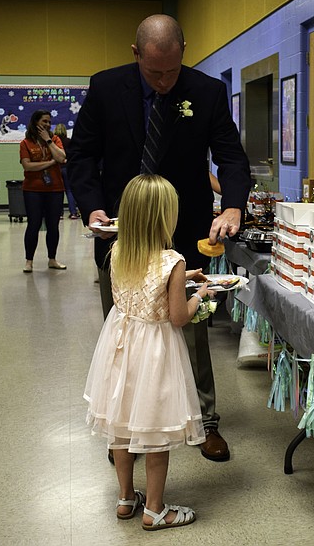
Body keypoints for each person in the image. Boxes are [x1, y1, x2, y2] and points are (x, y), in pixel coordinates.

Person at [68, 14, 251, 462]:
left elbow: (230, 157)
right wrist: (91, 206)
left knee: (192, 328)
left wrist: (233, 204)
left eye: (172, 70)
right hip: (121, 234)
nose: (165, 81)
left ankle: (205, 422)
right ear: (136, 55)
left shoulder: (206, 92)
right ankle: (126, 428)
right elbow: (82, 156)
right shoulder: (106, 87)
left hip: (183, 228)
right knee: (126, 332)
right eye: (154, 72)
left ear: (184, 51)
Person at [84, 174, 208, 529]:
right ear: (164, 217)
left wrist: (182, 278)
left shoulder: (118, 251)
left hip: (119, 347)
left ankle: (126, 498)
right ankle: (155, 509)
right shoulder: (172, 260)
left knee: (121, 426)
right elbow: (178, 317)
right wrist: (200, 295)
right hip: (154, 353)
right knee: (155, 431)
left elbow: (141, 287)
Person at [19, 110, 68, 273]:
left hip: (55, 189)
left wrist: (48, 140)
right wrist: (51, 163)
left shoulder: (55, 140)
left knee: (53, 225)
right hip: (33, 190)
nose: (47, 124)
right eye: (44, 121)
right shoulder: (25, 143)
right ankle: (29, 261)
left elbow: (61, 157)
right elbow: (27, 166)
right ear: (35, 122)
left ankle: (52, 259)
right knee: (33, 224)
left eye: (49, 122)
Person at [53, 123, 80, 220]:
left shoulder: (53, 142)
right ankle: (73, 213)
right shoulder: (68, 141)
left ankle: (59, 213)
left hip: (56, 168)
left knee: (58, 191)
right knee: (69, 190)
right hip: (67, 168)